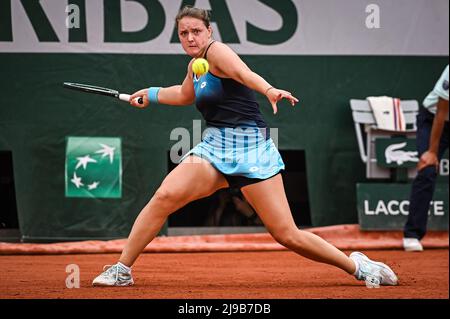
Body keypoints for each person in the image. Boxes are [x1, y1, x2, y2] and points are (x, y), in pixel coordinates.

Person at [92, 6, 398, 287]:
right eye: (183, 33)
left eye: (196, 31)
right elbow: (185, 94)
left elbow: (243, 74)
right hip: (215, 148)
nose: (190, 37)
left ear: (209, 32)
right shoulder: (195, 66)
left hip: (252, 151)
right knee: (165, 196)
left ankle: (357, 266)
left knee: (287, 235)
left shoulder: (218, 52)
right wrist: (151, 93)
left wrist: (269, 90)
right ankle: (122, 270)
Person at [403, 65, 449, 251]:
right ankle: (412, 234)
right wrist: (432, 151)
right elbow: (441, 112)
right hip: (434, 120)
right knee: (427, 170)